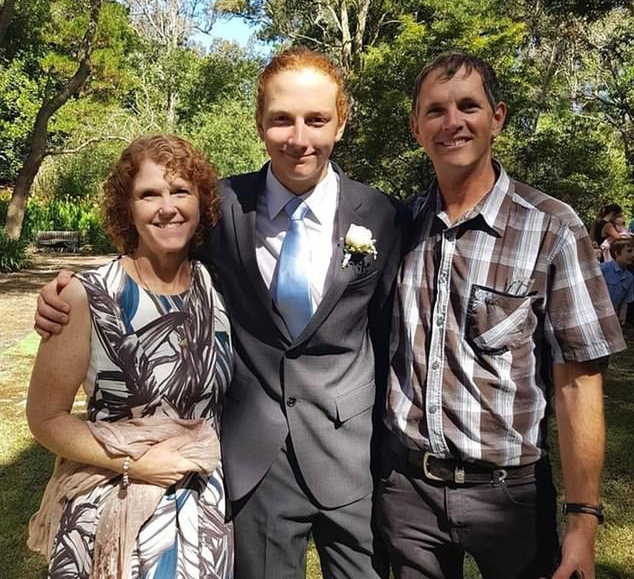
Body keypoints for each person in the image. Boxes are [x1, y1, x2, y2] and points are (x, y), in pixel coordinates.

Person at [35, 49, 407, 578]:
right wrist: (66, 292)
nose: (298, 137)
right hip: (253, 462)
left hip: (350, 457)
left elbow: (390, 330)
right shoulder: (221, 207)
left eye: (316, 119)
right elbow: (156, 248)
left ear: (340, 123)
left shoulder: (381, 215)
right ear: (259, 123)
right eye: (281, 119)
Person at [378, 52, 625, 579]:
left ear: (498, 117)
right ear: (416, 127)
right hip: (408, 492)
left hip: (510, 496)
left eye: (468, 106)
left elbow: (579, 384)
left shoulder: (553, 230)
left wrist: (582, 522)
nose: (453, 123)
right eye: (436, 110)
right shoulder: (400, 226)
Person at [27, 135, 234, 578]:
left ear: (201, 203)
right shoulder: (88, 296)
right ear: (128, 207)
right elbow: (45, 417)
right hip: (114, 504)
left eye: (180, 191)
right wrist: (135, 462)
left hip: (203, 511)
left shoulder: (215, 287)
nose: (167, 207)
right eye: (149, 194)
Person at [600, 237, 634, 326]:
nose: (633, 255)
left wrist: (622, 317)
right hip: (596, 313)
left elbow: (625, 301)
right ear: (616, 252)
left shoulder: (629, 277)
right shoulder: (603, 269)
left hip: (612, 316)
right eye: (629, 251)